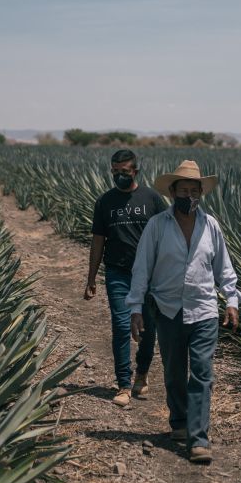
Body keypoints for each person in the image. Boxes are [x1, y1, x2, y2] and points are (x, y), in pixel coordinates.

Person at [126, 160, 240, 464]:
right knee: (175, 371)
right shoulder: (157, 226)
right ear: (173, 192)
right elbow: (142, 268)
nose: (189, 195)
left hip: (203, 309)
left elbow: (224, 268)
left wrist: (231, 300)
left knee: (202, 372)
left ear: (201, 192)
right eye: (183, 190)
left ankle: (199, 438)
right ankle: (179, 421)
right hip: (168, 309)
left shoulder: (211, 225)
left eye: (194, 190)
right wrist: (135, 308)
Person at [84, 149, 167, 406]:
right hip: (117, 272)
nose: (120, 175)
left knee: (148, 328)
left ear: (135, 171)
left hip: (150, 275)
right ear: (112, 171)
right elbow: (98, 242)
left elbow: (166, 235)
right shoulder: (104, 202)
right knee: (121, 326)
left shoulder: (152, 198)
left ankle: (142, 374)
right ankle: (123, 383)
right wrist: (90, 278)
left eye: (125, 171)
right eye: (116, 171)